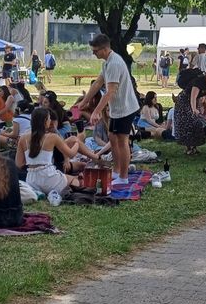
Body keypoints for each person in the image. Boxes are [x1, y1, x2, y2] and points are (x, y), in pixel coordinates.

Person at [80, 34, 141, 185]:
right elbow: (97, 84)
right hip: (116, 108)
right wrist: (84, 101)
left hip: (125, 108)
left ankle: (124, 177)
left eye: (95, 51)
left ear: (105, 49)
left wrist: (95, 112)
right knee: (112, 138)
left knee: (122, 141)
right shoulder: (106, 62)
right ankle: (116, 171)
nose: (94, 54)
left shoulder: (114, 63)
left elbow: (110, 92)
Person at [16, 108, 99, 194]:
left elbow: (18, 164)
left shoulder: (23, 137)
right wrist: (78, 140)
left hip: (32, 180)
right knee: (76, 181)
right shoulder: (52, 137)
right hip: (49, 177)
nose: (50, 121)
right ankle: (97, 159)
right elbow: (71, 154)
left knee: (70, 176)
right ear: (45, 121)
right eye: (49, 118)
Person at [175, 68, 206, 155]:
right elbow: (193, 97)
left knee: (197, 122)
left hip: (194, 101)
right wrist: (194, 109)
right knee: (188, 122)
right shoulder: (198, 82)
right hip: (184, 101)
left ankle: (194, 147)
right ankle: (188, 148)